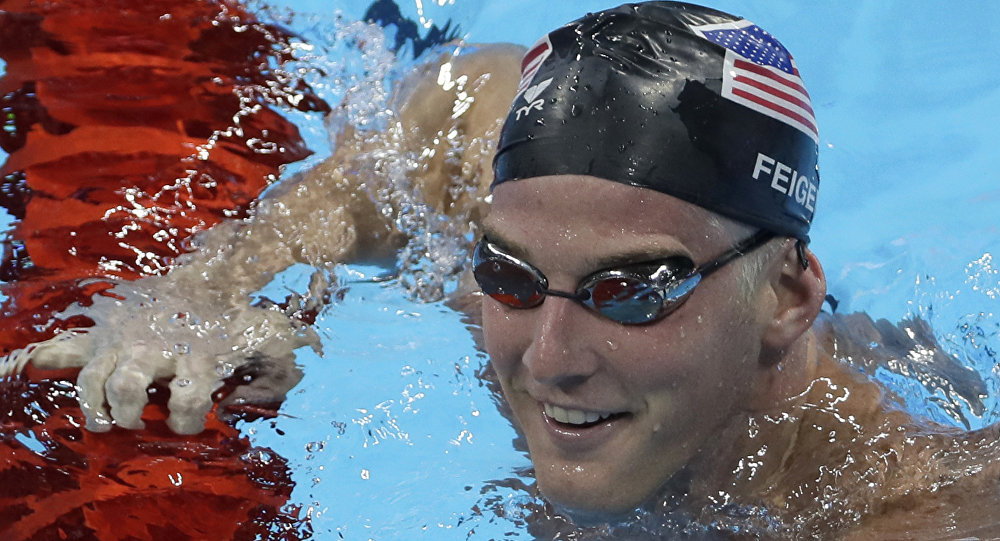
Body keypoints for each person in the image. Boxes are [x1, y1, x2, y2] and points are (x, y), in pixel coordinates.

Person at [17, 1, 1000, 537]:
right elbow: (438, 112)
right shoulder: (514, 177)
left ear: (788, 295)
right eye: (508, 275)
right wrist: (208, 296)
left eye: (633, 291)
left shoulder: (912, 514)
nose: (549, 358)